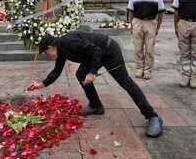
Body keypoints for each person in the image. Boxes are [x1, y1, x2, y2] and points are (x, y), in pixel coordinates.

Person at [32, 31, 164, 138]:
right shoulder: (60, 51)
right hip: (94, 55)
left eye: (45, 52)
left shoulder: (67, 42)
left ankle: (152, 116)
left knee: (126, 83)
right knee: (81, 75)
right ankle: (96, 106)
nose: (46, 55)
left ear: (50, 47)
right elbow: (56, 71)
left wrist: (92, 72)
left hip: (108, 50)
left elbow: (96, 50)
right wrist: (42, 84)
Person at [127, 0, 165, 80]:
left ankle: (147, 70)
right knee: (138, 48)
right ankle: (139, 68)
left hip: (151, 22)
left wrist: (157, 27)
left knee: (149, 49)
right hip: (137, 22)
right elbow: (131, 12)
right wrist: (131, 25)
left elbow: (160, 13)